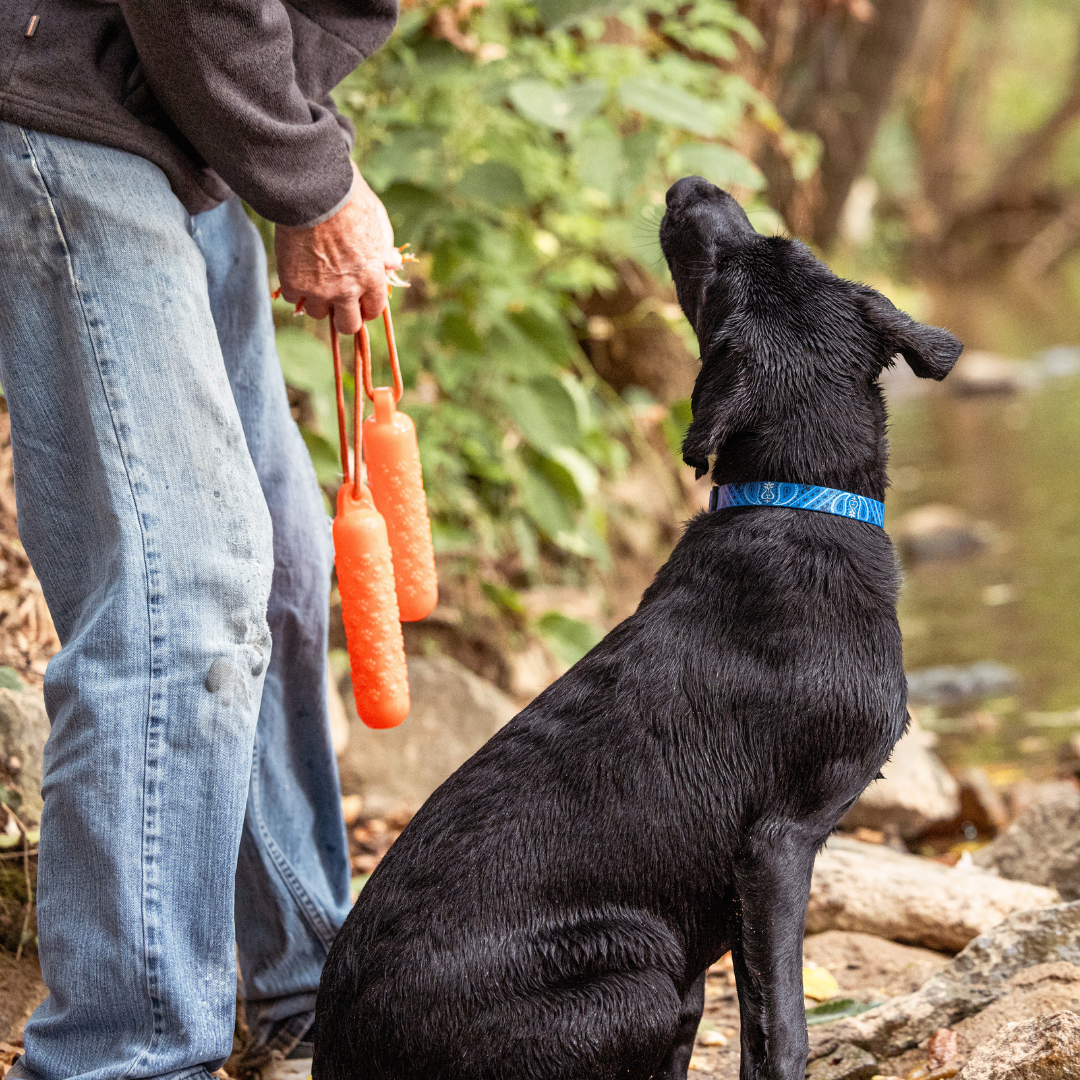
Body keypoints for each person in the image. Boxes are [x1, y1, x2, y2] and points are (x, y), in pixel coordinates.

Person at [0, 2, 401, 1078]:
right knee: (179, 598)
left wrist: (286, 143)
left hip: (177, 117)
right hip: (63, 99)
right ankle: (123, 1057)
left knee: (278, 571)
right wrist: (309, 176)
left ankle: (309, 1002)